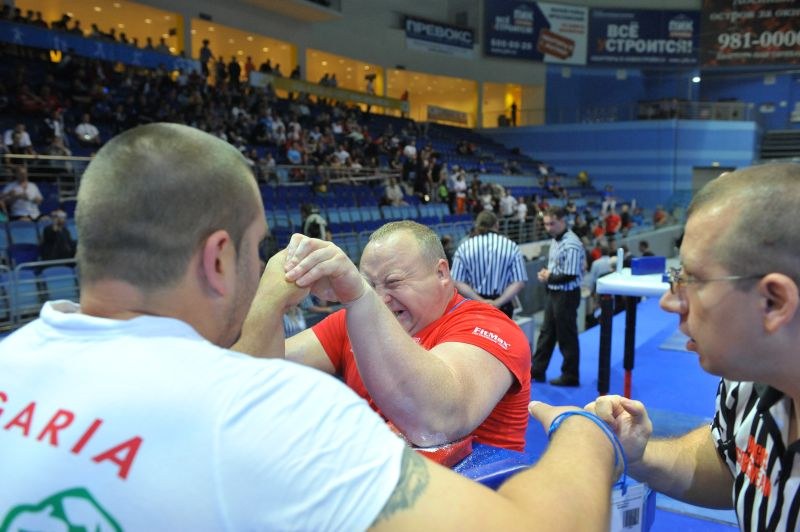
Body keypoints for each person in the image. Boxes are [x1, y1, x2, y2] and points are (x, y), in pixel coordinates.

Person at [0, 122, 625, 530]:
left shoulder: (12, 360)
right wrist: (588, 432)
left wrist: (342, 298)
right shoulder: (264, 414)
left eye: (394, 284)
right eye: (258, 249)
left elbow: (441, 409)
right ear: (220, 258)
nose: (381, 298)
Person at [587, 163, 800, 530]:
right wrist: (638, 454)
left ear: (774, 302)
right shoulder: (747, 377)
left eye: (692, 280)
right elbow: (735, 463)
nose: (669, 302)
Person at [274, 221, 532, 451]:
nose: (380, 299)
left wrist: (360, 297)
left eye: (394, 282)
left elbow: (437, 422)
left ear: (441, 273)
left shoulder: (491, 326)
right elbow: (257, 367)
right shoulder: (356, 320)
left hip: (472, 497)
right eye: (369, 285)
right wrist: (272, 298)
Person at [531, 206, 585, 387]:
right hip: (554, 292)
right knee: (547, 333)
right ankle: (537, 370)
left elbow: (570, 274)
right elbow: (558, 268)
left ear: (563, 221)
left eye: (552, 223)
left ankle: (570, 375)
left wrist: (549, 276)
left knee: (566, 335)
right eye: (546, 224)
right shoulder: (555, 240)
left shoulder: (572, 243)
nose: (548, 228)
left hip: (567, 294)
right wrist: (547, 274)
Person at [451, 211, 528, 319]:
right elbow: (519, 281)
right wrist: (497, 302)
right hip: (503, 306)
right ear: (497, 225)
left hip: (475, 305)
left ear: (477, 226)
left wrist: (481, 301)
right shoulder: (511, 246)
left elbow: (456, 281)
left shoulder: (464, 247)